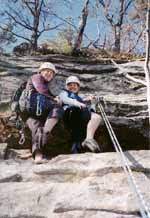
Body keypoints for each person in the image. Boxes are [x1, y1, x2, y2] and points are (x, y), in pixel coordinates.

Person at [20, 62, 63, 164]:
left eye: (51, 73)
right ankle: (46, 130)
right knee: (58, 107)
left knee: (37, 128)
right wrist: (55, 100)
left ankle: (38, 156)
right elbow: (41, 89)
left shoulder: (45, 84)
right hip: (32, 109)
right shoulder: (36, 77)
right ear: (40, 71)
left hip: (33, 113)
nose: (49, 73)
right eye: (46, 71)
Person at [59, 75, 101, 153]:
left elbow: (90, 111)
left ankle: (88, 139)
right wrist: (77, 103)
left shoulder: (80, 99)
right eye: (70, 85)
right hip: (69, 114)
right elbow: (64, 99)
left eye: (75, 85)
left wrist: (93, 104)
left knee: (96, 117)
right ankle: (80, 143)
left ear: (78, 88)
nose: (72, 87)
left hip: (78, 117)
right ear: (66, 87)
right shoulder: (64, 93)